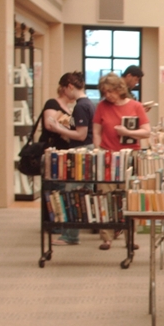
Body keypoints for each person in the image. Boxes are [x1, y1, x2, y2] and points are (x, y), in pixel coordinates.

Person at [93, 73, 150, 250]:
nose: (108, 95)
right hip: (108, 156)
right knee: (106, 195)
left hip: (130, 156)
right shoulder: (102, 106)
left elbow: (146, 132)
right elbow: (96, 131)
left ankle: (130, 237)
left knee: (130, 196)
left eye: (110, 91)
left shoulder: (136, 106)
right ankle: (107, 237)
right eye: (104, 92)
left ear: (119, 89)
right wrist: (97, 151)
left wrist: (127, 133)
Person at [49, 72, 96, 246]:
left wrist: (57, 128)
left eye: (63, 89)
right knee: (83, 192)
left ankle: (70, 235)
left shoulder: (80, 106)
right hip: (86, 149)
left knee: (72, 193)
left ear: (69, 86)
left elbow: (81, 134)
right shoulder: (88, 103)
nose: (63, 94)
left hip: (81, 152)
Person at [38, 81, 75, 151]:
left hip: (63, 148)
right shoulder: (52, 103)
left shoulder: (68, 109)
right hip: (51, 147)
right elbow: (49, 125)